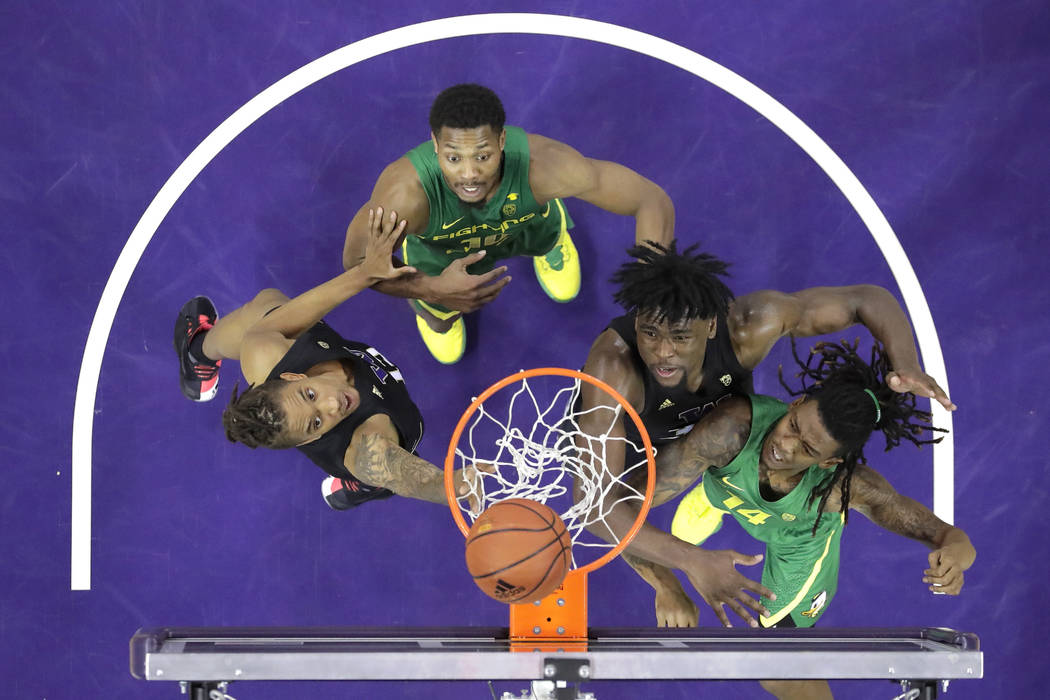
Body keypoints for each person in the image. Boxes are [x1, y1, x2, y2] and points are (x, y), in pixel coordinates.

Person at [576, 241, 956, 627]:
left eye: (680, 337)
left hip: (727, 443)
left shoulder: (750, 327)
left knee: (726, 456)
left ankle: (715, 492)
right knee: (633, 506)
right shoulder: (612, 375)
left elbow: (864, 299)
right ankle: (713, 493)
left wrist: (904, 364)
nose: (662, 353)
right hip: (644, 441)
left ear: (711, 326)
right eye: (650, 333)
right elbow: (596, 506)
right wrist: (676, 576)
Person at [634, 338, 975, 700]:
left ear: (828, 462)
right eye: (793, 425)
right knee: (680, 529)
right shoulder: (729, 432)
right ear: (795, 404)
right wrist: (668, 585)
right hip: (733, 488)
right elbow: (613, 510)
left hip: (798, 542)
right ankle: (714, 496)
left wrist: (956, 558)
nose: (785, 445)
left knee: (775, 667)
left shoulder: (841, 488)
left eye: (808, 449)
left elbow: (949, 538)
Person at [341, 83, 674, 365]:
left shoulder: (546, 167)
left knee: (542, 226)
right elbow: (357, 262)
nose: (469, 174)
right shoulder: (405, 194)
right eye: (454, 158)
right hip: (441, 250)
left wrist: (650, 292)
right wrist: (430, 288)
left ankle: (551, 244)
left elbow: (649, 200)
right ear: (436, 145)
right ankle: (437, 311)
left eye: (482, 156)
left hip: (521, 224)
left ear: (501, 142)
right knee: (439, 318)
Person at [172, 208, 475, 509]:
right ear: (307, 441)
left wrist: (367, 271)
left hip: (277, 351)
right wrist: (446, 485)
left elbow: (317, 303)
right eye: (316, 423)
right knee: (381, 476)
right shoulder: (363, 446)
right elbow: (392, 467)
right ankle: (362, 483)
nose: (333, 405)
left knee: (265, 306)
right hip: (376, 458)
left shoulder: (265, 353)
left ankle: (198, 351)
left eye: (311, 394)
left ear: (293, 376)